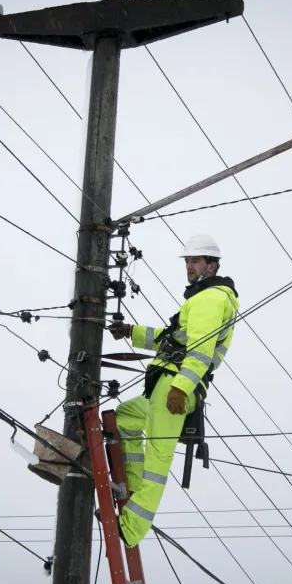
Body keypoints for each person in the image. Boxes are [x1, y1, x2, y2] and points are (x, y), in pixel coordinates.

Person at [108, 234, 239, 547]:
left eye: (195, 261)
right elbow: (170, 339)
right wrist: (130, 332)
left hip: (174, 385)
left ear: (212, 265)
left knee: (158, 460)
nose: (189, 267)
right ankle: (131, 489)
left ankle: (131, 529)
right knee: (125, 418)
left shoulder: (212, 298)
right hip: (164, 386)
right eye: (187, 261)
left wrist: (181, 388)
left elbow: (200, 351)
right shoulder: (199, 298)